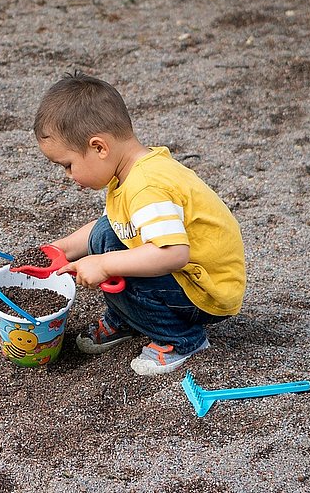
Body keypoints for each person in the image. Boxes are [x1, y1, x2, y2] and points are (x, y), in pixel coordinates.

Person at [32, 71, 245, 375]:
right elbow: (109, 227)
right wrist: (60, 248)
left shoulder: (147, 187)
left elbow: (172, 253)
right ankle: (129, 318)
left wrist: (104, 264)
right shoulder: (133, 171)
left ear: (99, 147)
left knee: (116, 262)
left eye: (68, 165)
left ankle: (182, 339)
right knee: (107, 235)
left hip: (206, 291)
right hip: (189, 276)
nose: (68, 176)